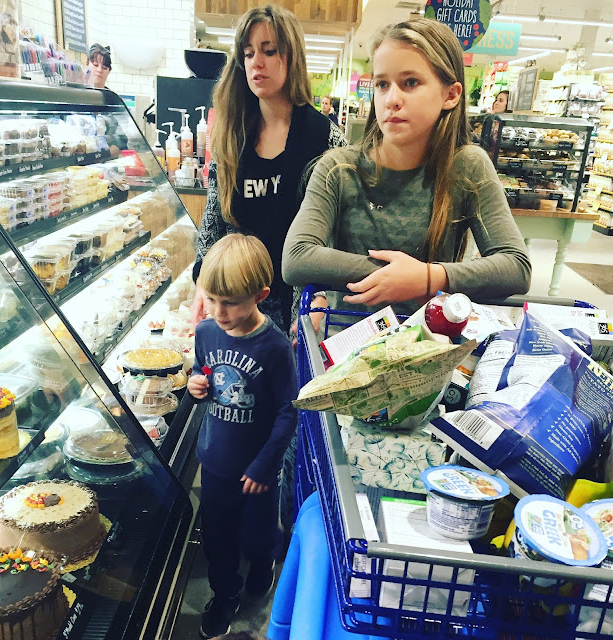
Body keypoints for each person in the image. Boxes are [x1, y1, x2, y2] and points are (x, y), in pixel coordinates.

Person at [282, 19, 531, 316]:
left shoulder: (467, 167)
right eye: (382, 84)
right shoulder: (338, 168)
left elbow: (516, 266)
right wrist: (396, 275)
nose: (392, 99)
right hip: (348, 338)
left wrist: (426, 277)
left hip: (431, 340)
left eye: (410, 82)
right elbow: (296, 258)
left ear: (451, 95)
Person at [191, 4, 346, 336]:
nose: (256, 62)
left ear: (291, 56)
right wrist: (203, 281)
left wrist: (321, 295)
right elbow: (213, 220)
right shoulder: (231, 135)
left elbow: (338, 231)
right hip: (235, 310)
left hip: (298, 310)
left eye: (269, 51)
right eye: (248, 54)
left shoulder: (324, 138)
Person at [187, 234, 297, 639]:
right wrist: (195, 386)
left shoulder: (275, 347)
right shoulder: (205, 332)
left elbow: (288, 410)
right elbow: (203, 372)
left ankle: (264, 564)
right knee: (218, 538)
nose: (218, 312)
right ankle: (225, 594)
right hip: (215, 462)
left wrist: (266, 464)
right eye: (211, 299)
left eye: (230, 302)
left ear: (260, 295)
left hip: (259, 469)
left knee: (258, 536)